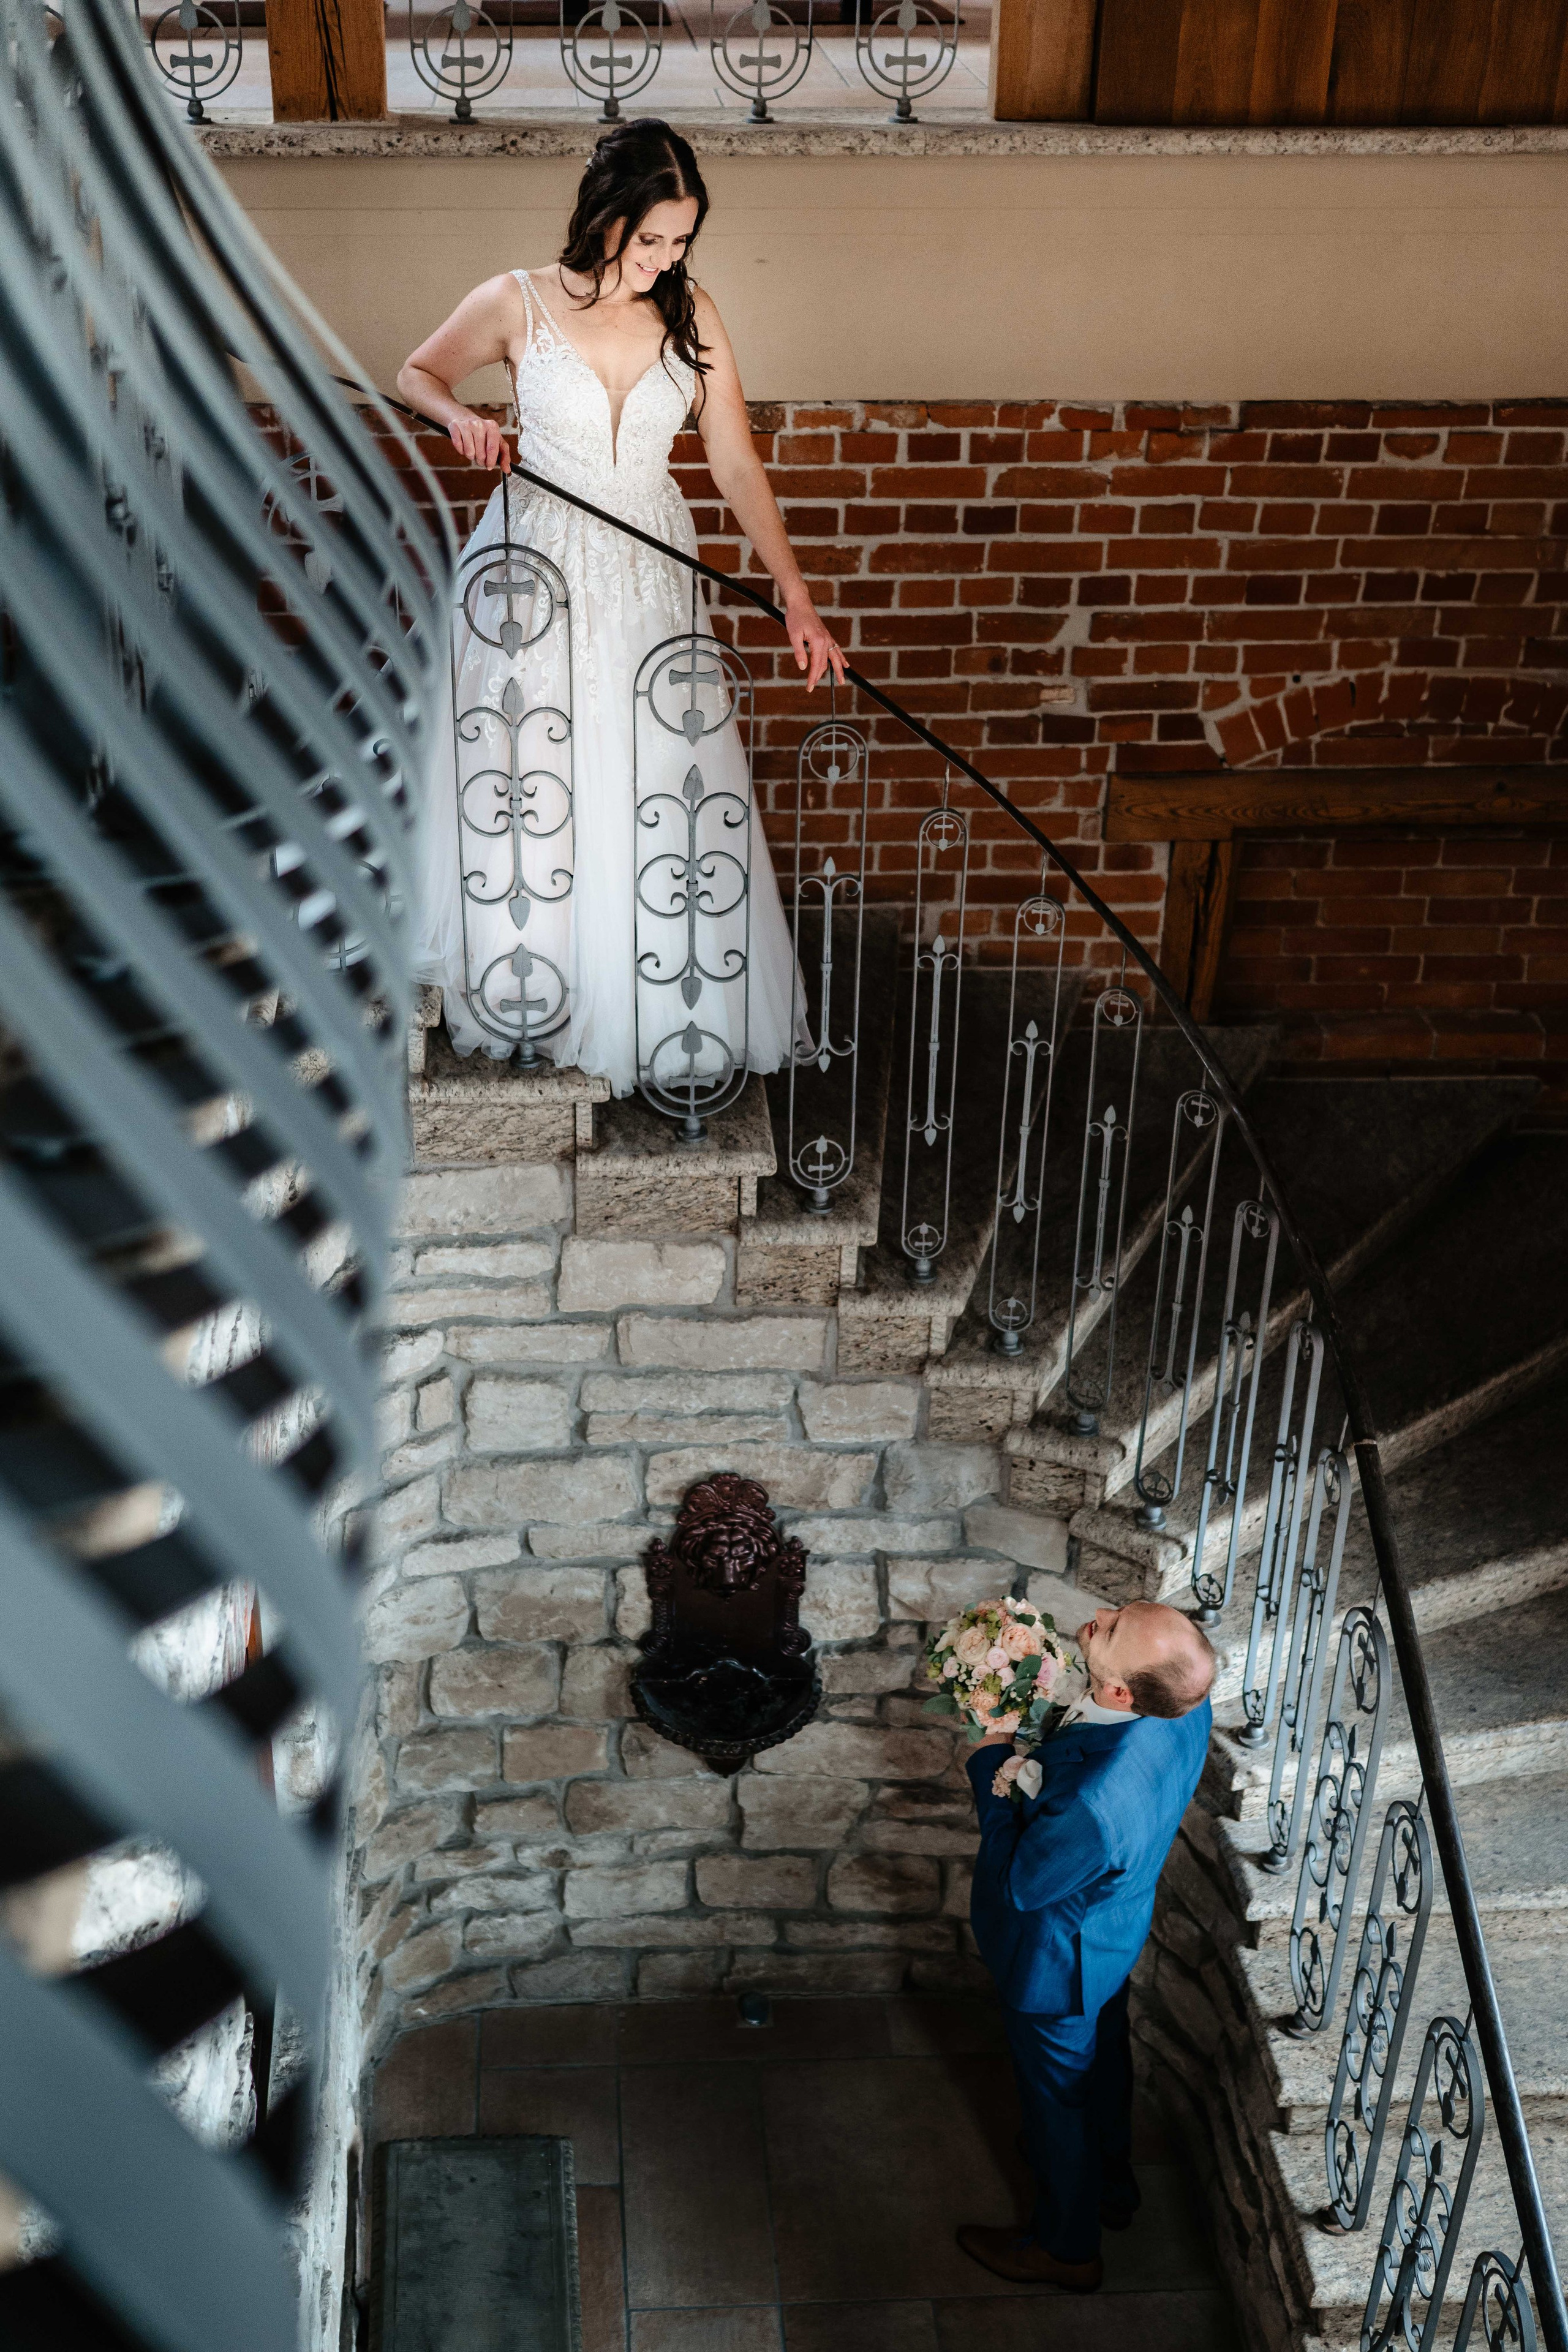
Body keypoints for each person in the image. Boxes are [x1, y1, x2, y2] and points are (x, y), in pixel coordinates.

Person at [396, 119, 844, 1093]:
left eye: (681, 242)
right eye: (652, 240)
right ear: (606, 218)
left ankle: (651, 999)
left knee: (653, 772)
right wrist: (466, 419)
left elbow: (732, 460)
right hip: (533, 567)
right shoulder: (514, 303)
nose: (666, 260)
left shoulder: (695, 315)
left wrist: (796, 595)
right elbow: (415, 373)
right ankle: (531, 981)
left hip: (649, 568)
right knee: (533, 767)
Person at [958, 1599, 1216, 2292]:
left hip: (1056, 1962)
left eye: (1110, 1629)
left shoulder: (1097, 1806)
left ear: (1120, 1691)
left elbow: (1023, 1883)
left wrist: (991, 1761)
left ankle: (1066, 2249)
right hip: (1111, 1933)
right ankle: (1110, 2183)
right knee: (1103, 2059)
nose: (1098, 1616)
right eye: (1122, 1612)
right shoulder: (1187, 1707)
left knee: (1054, 2102)